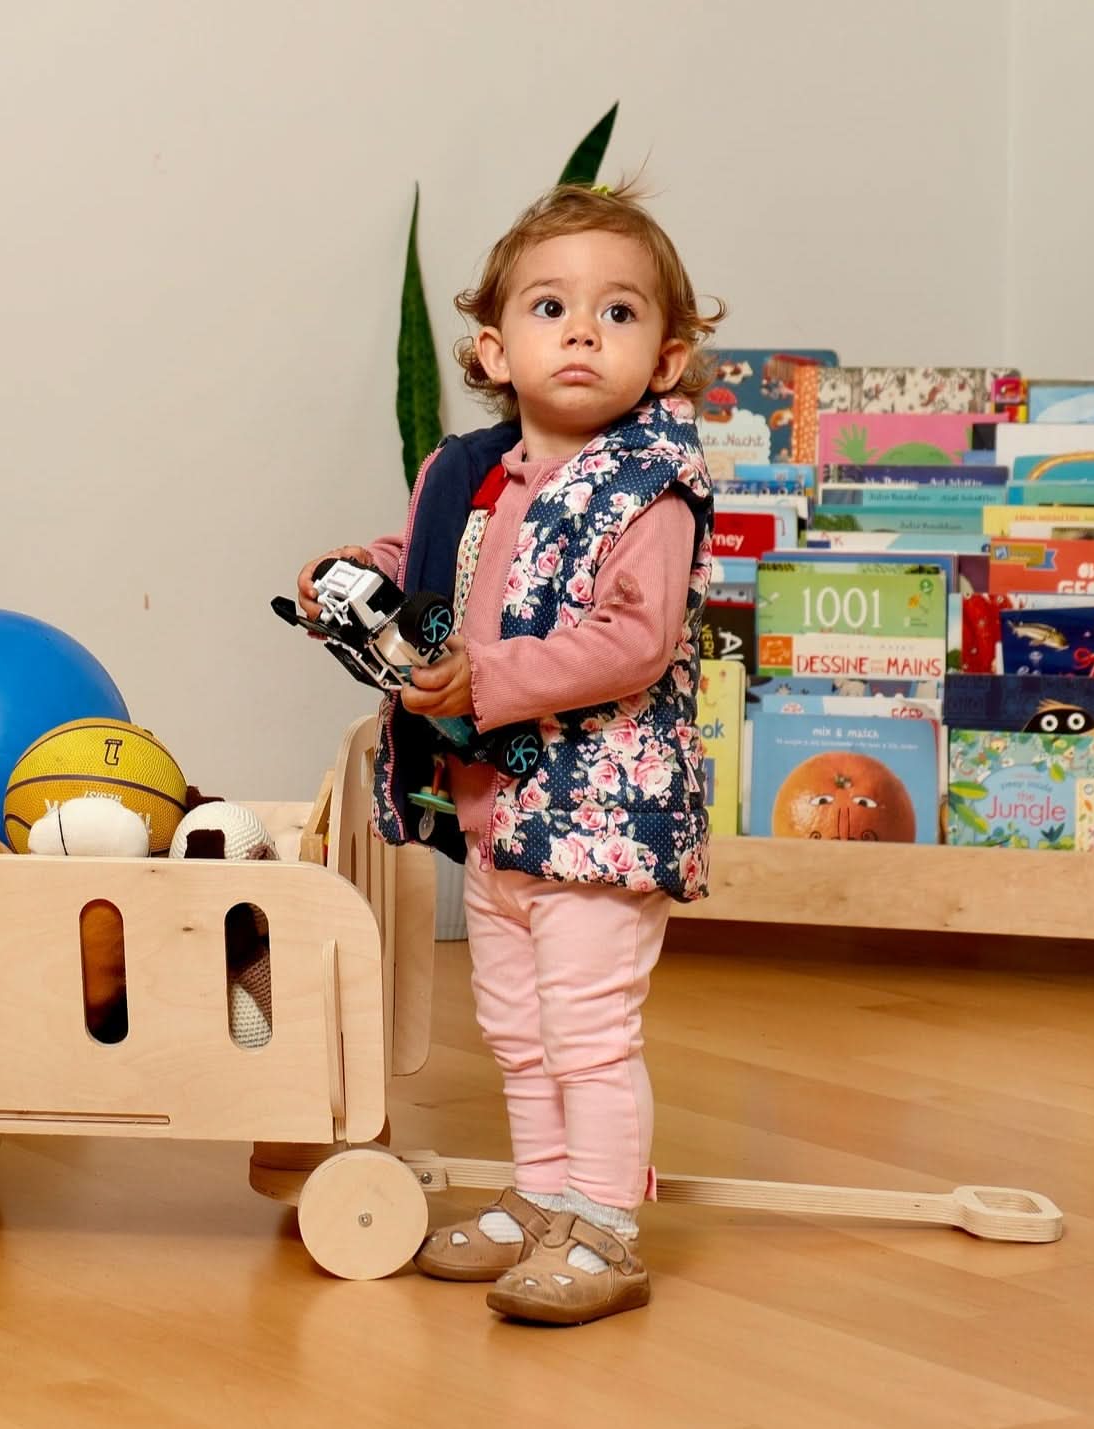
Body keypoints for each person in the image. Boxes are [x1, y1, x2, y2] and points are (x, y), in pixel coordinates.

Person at [296, 179, 721, 1325]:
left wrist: (488, 676)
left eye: (619, 313)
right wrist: (358, 572)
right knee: (515, 1025)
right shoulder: (465, 470)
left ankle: (605, 1227)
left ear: (666, 360)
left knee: (586, 1027)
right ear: (492, 346)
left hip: (599, 813)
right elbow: (423, 554)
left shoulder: (648, 489)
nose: (582, 330)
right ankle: (542, 1197)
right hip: (496, 808)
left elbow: (634, 638)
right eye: (549, 306)